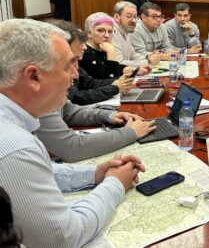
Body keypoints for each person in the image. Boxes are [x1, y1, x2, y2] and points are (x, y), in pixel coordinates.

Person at [0, 18, 145, 247]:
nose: (76, 75)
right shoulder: (16, 147)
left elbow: (39, 172)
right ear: (33, 77)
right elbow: (63, 237)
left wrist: (94, 174)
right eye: (68, 65)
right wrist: (115, 184)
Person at [37, 98, 156, 162]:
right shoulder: (38, 101)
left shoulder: (49, 93)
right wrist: (131, 132)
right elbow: (72, 147)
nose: (76, 73)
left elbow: (69, 111)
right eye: (67, 66)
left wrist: (109, 115)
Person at [48, 19, 132, 105]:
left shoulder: (99, 49)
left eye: (110, 31)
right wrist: (114, 88)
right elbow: (76, 97)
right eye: (81, 43)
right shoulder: (85, 56)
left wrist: (120, 81)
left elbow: (90, 83)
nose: (84, 47)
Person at [80, 12, 149, 79]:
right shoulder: (85, 53)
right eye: (100, 30)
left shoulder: (103, 48)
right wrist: (111, 52)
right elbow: (112, 80)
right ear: (89, 33)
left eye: (110, 31)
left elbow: (116, 67)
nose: (107, 35)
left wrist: (135, 70)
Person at [111, 1, 156, 66]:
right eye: (129, 16)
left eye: (135, 17)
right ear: (117, 17)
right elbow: (119, 63)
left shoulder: (125, 29)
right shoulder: (111, 32)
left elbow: (133, 54)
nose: (133, 21)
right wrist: (148, 61)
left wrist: (148, 57)